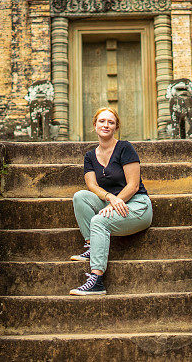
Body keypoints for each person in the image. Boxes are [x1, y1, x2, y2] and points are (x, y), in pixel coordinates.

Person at [69, 107, 153, 295]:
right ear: (95, 125)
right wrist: (110, 198)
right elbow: (92, 185)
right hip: (113, 203)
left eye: (111, 122)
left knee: (99, 221)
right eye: (102, 121)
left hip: (137, 205)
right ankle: (92, 245)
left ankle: (97, 280)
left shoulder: (125, 148)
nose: (106, 125)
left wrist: (115, 203)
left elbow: (133, 185)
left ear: (116, 127)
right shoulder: (90, 156)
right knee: (80, 197)